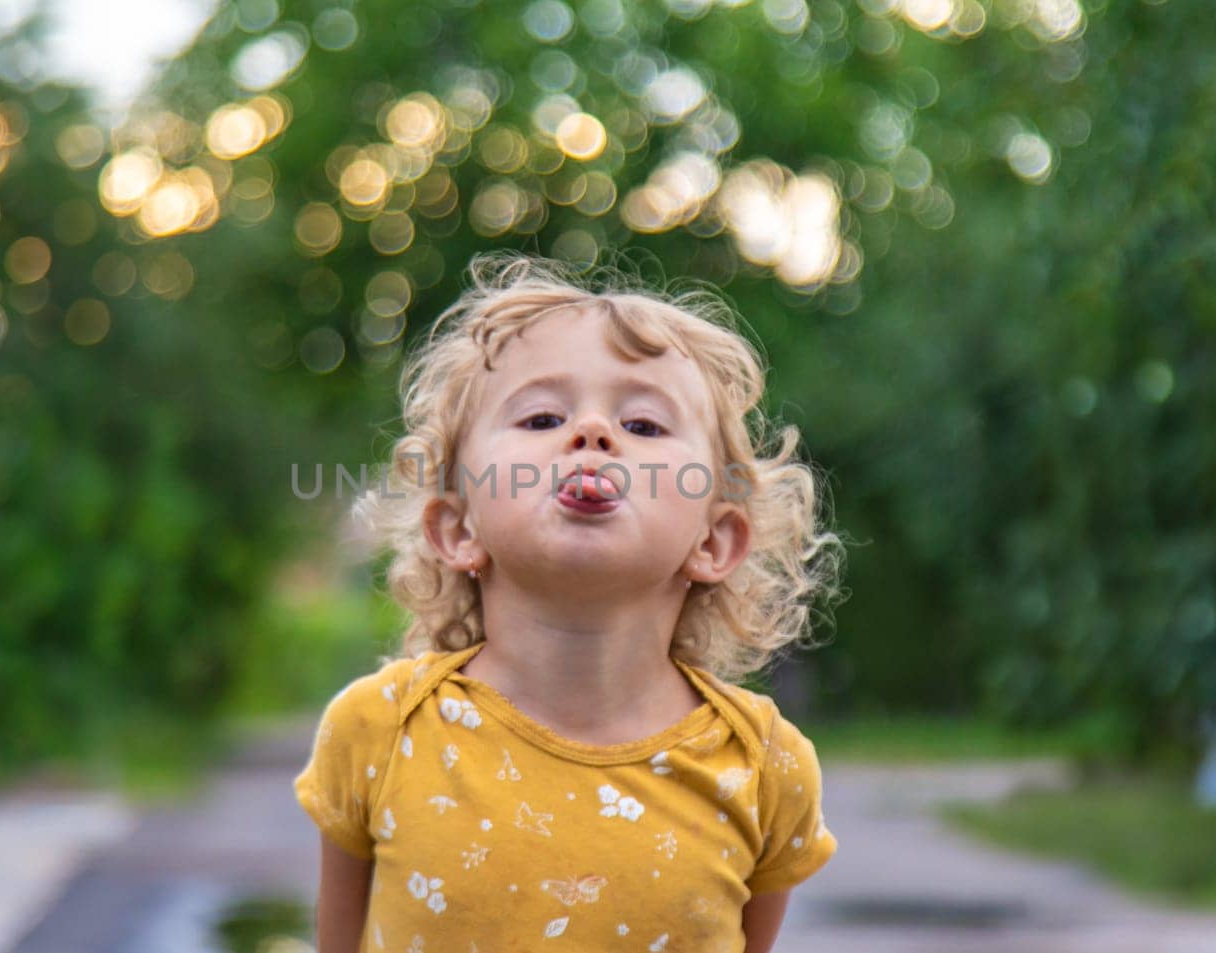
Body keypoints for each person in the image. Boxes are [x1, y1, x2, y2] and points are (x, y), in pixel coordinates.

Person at [292, 250, 844, 951]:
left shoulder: (763, 766)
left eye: (643, 426)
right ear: (459, 527)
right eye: (542, 417)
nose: (591, 434)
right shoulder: (378, 731)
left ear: (715, 540)